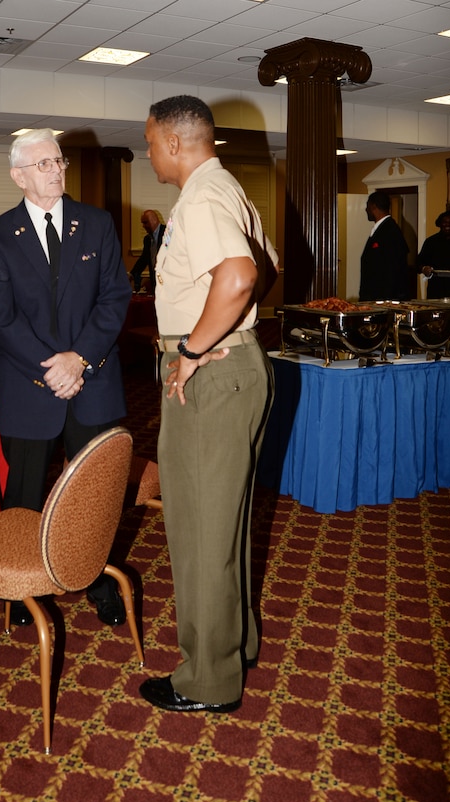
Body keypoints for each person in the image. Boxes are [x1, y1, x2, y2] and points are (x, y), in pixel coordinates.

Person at [138, 95, 278, 713]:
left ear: (173, 141)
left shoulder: (200, 197)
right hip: (237, 363)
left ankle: (207, 680)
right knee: (225, 521)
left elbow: (242, 276)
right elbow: (267, 265)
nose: (146, 153)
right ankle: (236, 644)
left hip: (211, 376)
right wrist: (231, 331)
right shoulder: (226, 188)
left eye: (148, 143)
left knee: (199, 529)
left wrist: (193, 350)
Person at [0, 128, 132, 628]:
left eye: (59, 161)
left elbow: (115, 298)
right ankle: (22, 591)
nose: (58, 170)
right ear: (19, 176)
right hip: (29, 386)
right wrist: (54, 369)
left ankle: (98, 580)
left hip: (93, 381)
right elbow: (1, 319)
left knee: (95, 494)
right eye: (44, 164)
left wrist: (79, 359)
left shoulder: (97, 223)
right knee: (22, 493)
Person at [359, 191, 411, 302]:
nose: (365, 210)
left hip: (383, 300)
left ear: (373, 206)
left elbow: (392, 270)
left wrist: (385, 302)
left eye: (367, 206)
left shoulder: (390, 231)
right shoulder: (383, 228)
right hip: (375, 299)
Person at [417, 210, 450, 299]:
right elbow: (418, 262)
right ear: (440, 224)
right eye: (445, 222)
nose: (447, 225)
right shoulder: (431, 242)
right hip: (435, 289)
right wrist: (424, 268)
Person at [130, 209, 165, 293]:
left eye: (145, 222)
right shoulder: (147, 239)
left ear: (154, 220)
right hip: (155, 284)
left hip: (168, 283)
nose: (143, 226)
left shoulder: (167, 233)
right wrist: (132, 274)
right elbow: (144, 259)